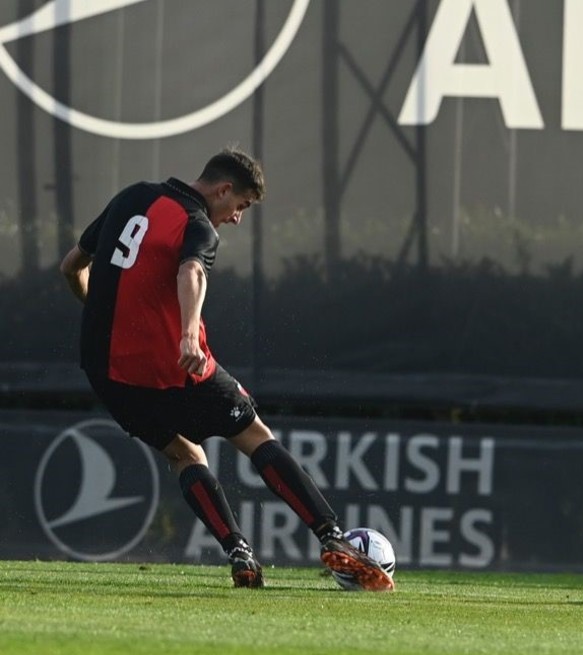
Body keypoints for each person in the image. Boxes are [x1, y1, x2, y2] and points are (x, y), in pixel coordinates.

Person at [58, 147, 393, 591]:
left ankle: (239, 552)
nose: (236, 218)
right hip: (174, 364)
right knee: (255, 436)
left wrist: (106, 309)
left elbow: (70, 267)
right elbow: (192, 272)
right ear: (222, 189)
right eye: (241, 206)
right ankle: (332, 536)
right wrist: (187, 334)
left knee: (185, 454)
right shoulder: (196, 224)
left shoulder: (130, 198)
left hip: (107, 372)